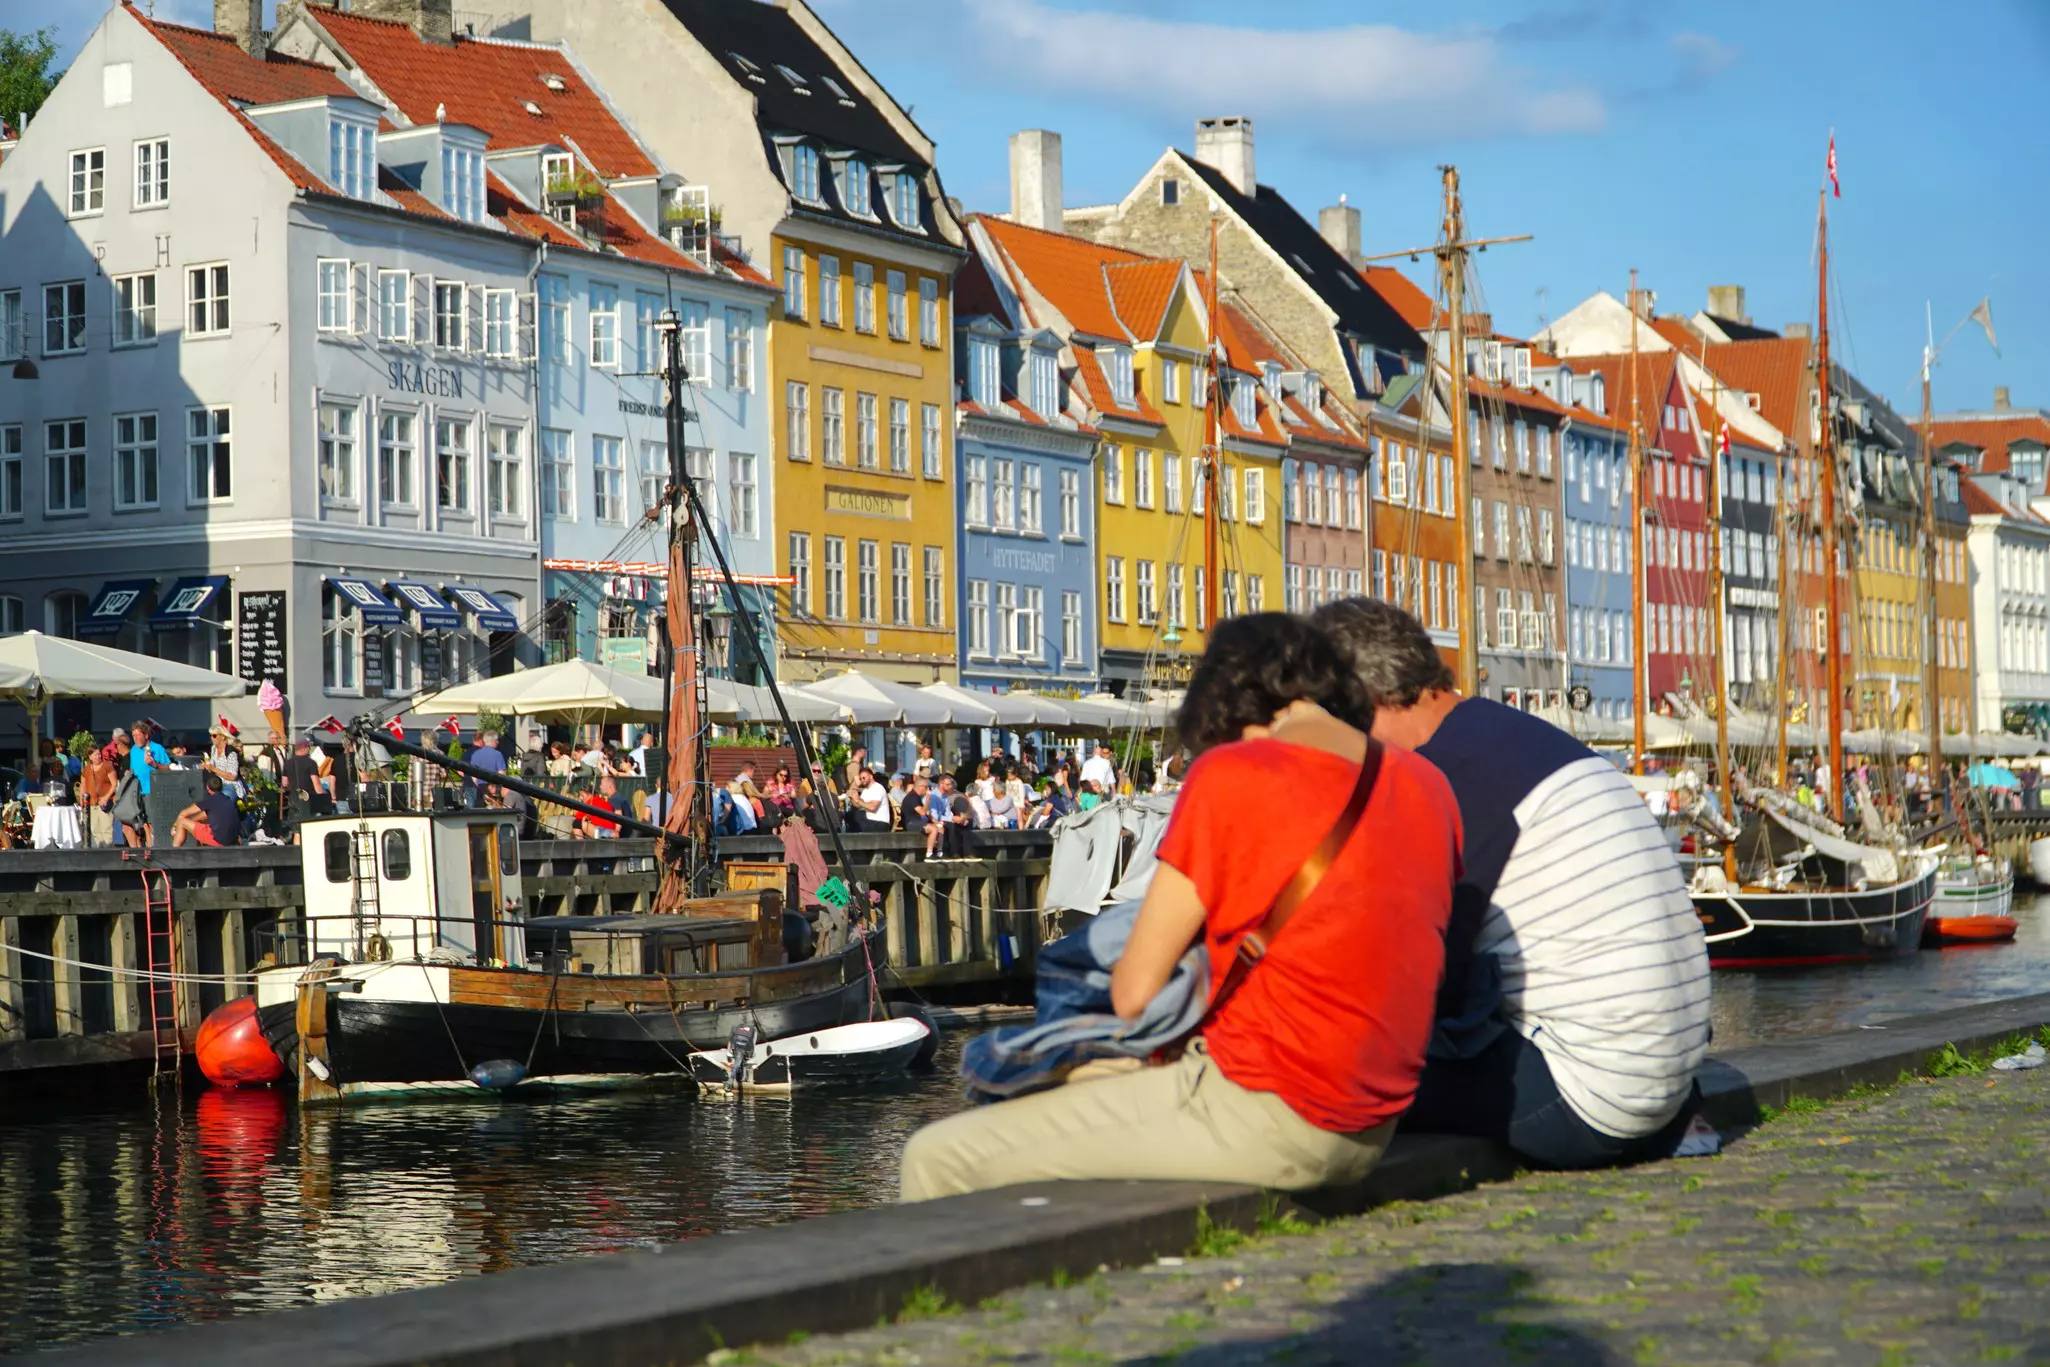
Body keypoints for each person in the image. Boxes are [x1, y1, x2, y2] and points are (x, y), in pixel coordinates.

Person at [899, 612, 1460, 1200]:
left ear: (1226, 704)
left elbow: (1135, 992)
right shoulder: (1426, 784)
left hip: (1273, 1109)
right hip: (1375, 1117)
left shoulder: (1235, 773)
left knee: (938, 1154)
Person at [1308, 597, 1712, 1170]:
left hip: (1592, 1101)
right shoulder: (1526, 742)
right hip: (1669, 1084)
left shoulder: (1440, 777)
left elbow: (1418, 974)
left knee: (1335, 1083)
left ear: (1362, 701)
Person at [171, 772, 243, 848]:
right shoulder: (227, 799)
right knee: (203, 823)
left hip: (219, 840)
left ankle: (174, 853)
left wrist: (175, 826)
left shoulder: (210, 800)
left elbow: (183, 814)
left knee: (182, 822)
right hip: (232, 840)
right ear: (221, 787)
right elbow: (204, 815)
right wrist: (192, 821)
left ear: (208, 788)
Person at [78, 743, 118, 847]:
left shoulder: (107, 766)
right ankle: (99, 853)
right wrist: (82, 802)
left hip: (105, 803)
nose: (98, 757)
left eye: (99, 754)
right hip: (91, 804)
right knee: (95, 831)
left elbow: (114, 784)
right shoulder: (86, 769)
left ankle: (108, 853)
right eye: (95, 755)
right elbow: (83, 785)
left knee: (106, 830)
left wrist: (106, 797)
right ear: (90, 757)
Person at [846, 767, 890, 833]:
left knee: (857, 818)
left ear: (871, 776)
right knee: (849, 815)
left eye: (864, 778)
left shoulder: (878, 788)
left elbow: (872, 807)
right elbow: (859, 805)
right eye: (860, 779)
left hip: (879, 822)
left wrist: (858, 800)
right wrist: (852, 798)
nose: (862, 780)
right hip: (869, 820)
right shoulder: (866, 790)